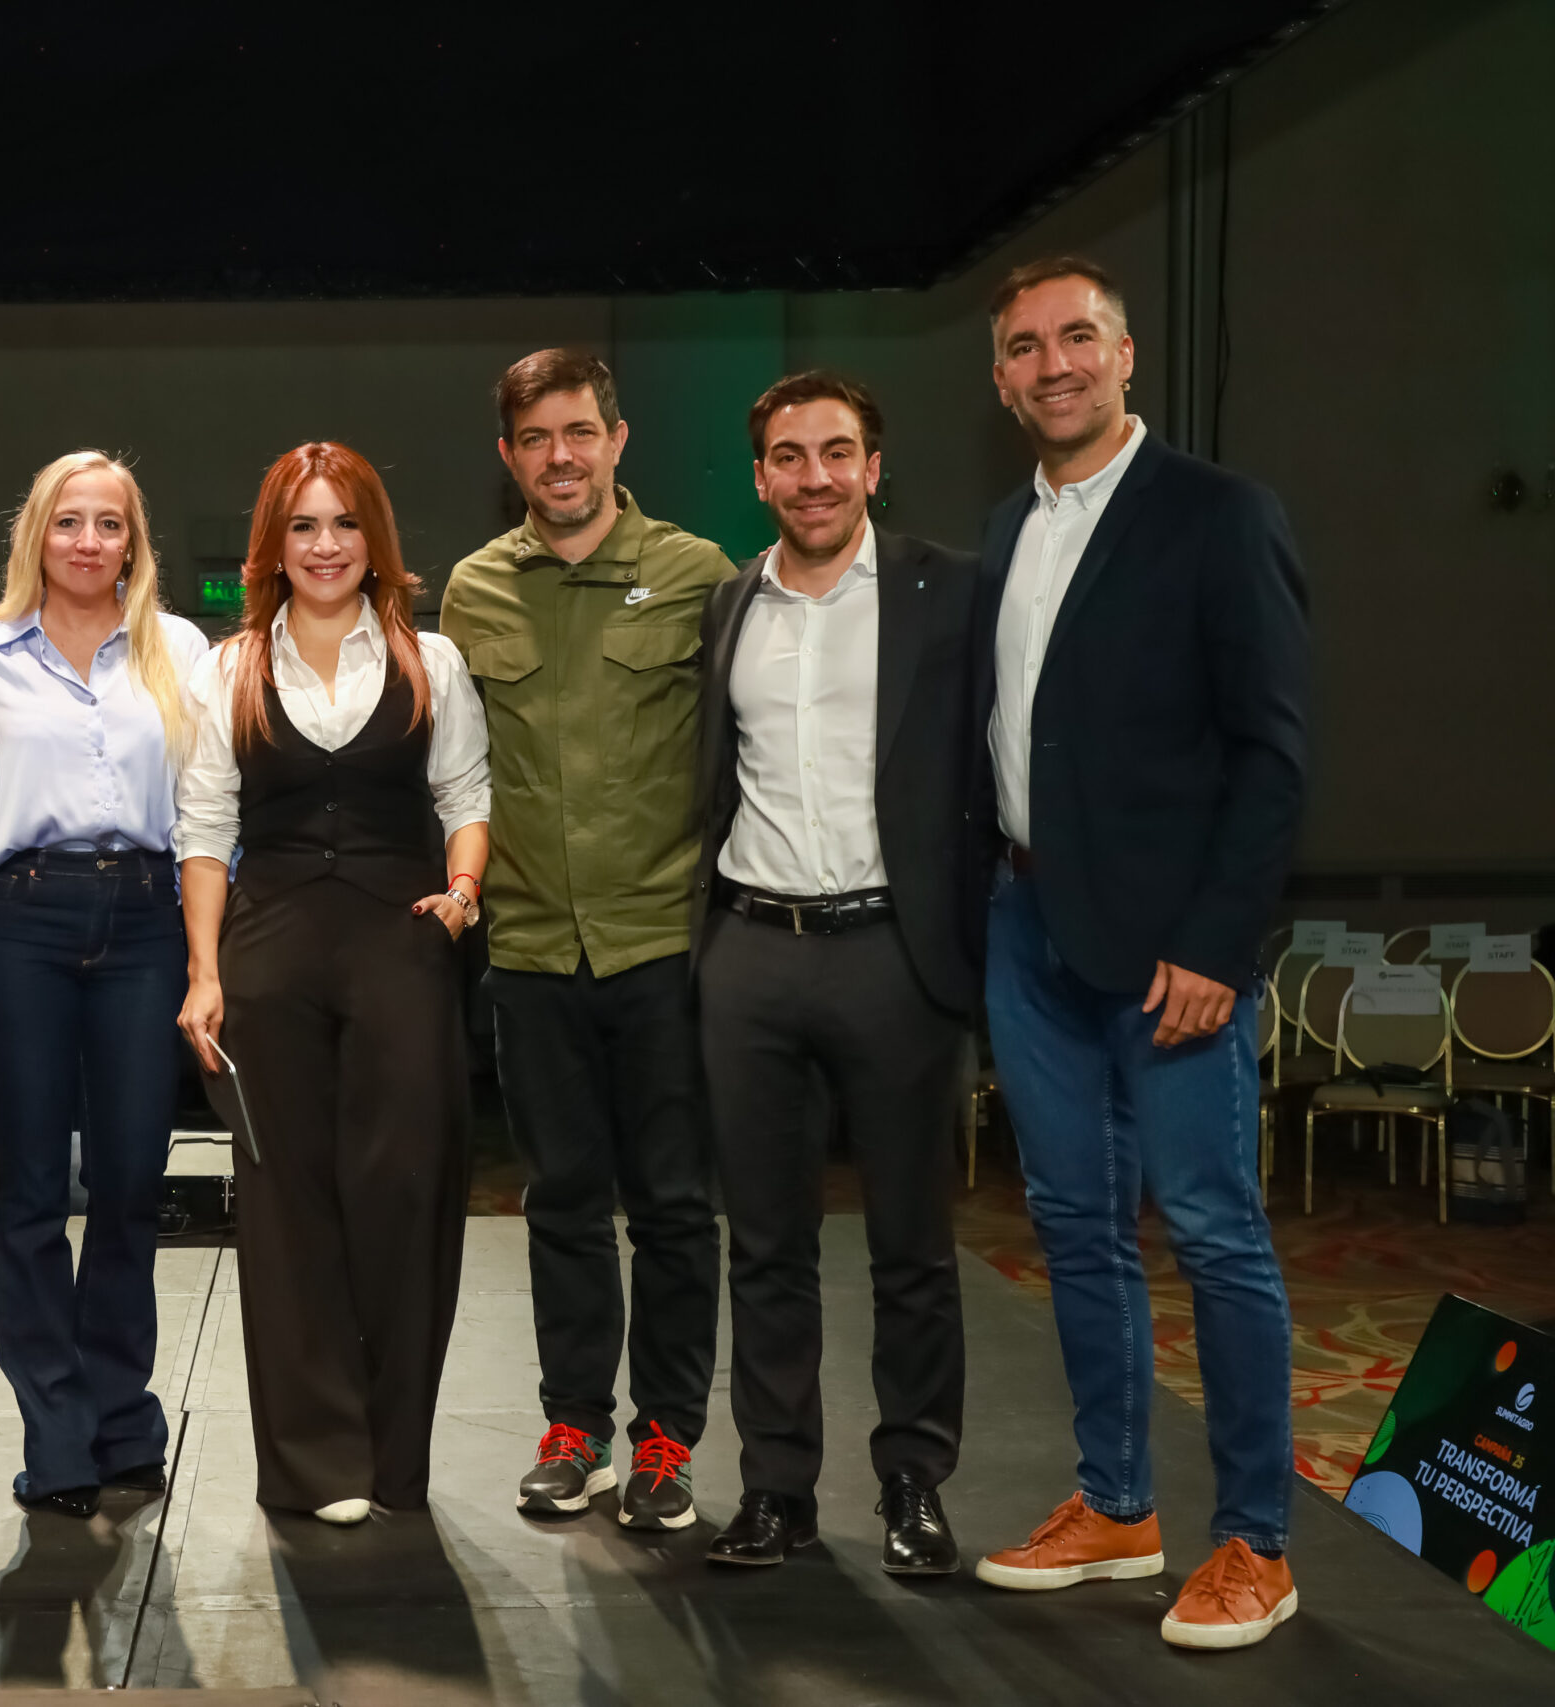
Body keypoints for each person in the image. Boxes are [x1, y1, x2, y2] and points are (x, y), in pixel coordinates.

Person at [965, 257, 1310, 1651]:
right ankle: (1116, 1505)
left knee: (1214, 1230)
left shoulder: (1219, 514)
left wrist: (1221, 940)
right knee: (1073, 1226)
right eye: (1025, 346)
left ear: (1125, 355)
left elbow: (1274, 752)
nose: (1053, 363)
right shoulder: (1007, 527)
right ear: (1000, 377)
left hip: (1176, 954)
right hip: (1030, 929)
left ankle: (1257, 1541)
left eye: (1078, 337)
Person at [439, 349, 736, 1529]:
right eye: (535, 440)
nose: (559, 457)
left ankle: (666, 1439)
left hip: (662, 945)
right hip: (526, 952)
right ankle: (575, 1429)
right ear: (507, 457)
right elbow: (455, 774)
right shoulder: (472, 591)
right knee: (560, 1201)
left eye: (579, 433)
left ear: (617, 440)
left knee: (671, 1205)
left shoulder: (696, 575)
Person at [689, 373, 982, 1570]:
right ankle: (776, 1490)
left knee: (911, 1243)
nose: (813, 476)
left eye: (836, 452)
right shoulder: (729, 605)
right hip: (751, 954)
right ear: (760, 476)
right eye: (788, 456)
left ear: (873, 466)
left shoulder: (946, 591)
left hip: (892, 956)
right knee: (764, 1246)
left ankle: (913, 1483)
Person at [175, 442, 490, 1525]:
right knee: (284, 1202)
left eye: (344, 523)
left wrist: (463, 889)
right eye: (303, 526)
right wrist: (204, 972)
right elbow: (204, 829)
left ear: (375, 540)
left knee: (406, 1193)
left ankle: (396, 1460)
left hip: (403, 944)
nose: (324, 545)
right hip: (269, 952)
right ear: (274, 544)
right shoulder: (226, 669)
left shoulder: (430, 661)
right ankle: (317, 1463)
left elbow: (467, 795)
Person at [0, 451, 209, 1517]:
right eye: (69, 521)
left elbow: (208, 805)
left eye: (110, 523)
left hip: (147, 918)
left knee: (130, 1181)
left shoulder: (179, 649)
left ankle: (122, 1421)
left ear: (133, 543)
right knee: (29, 1191)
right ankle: (56, 1439)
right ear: (37, 535)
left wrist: (209, 952)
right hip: (19, 916)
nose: (89, 541)